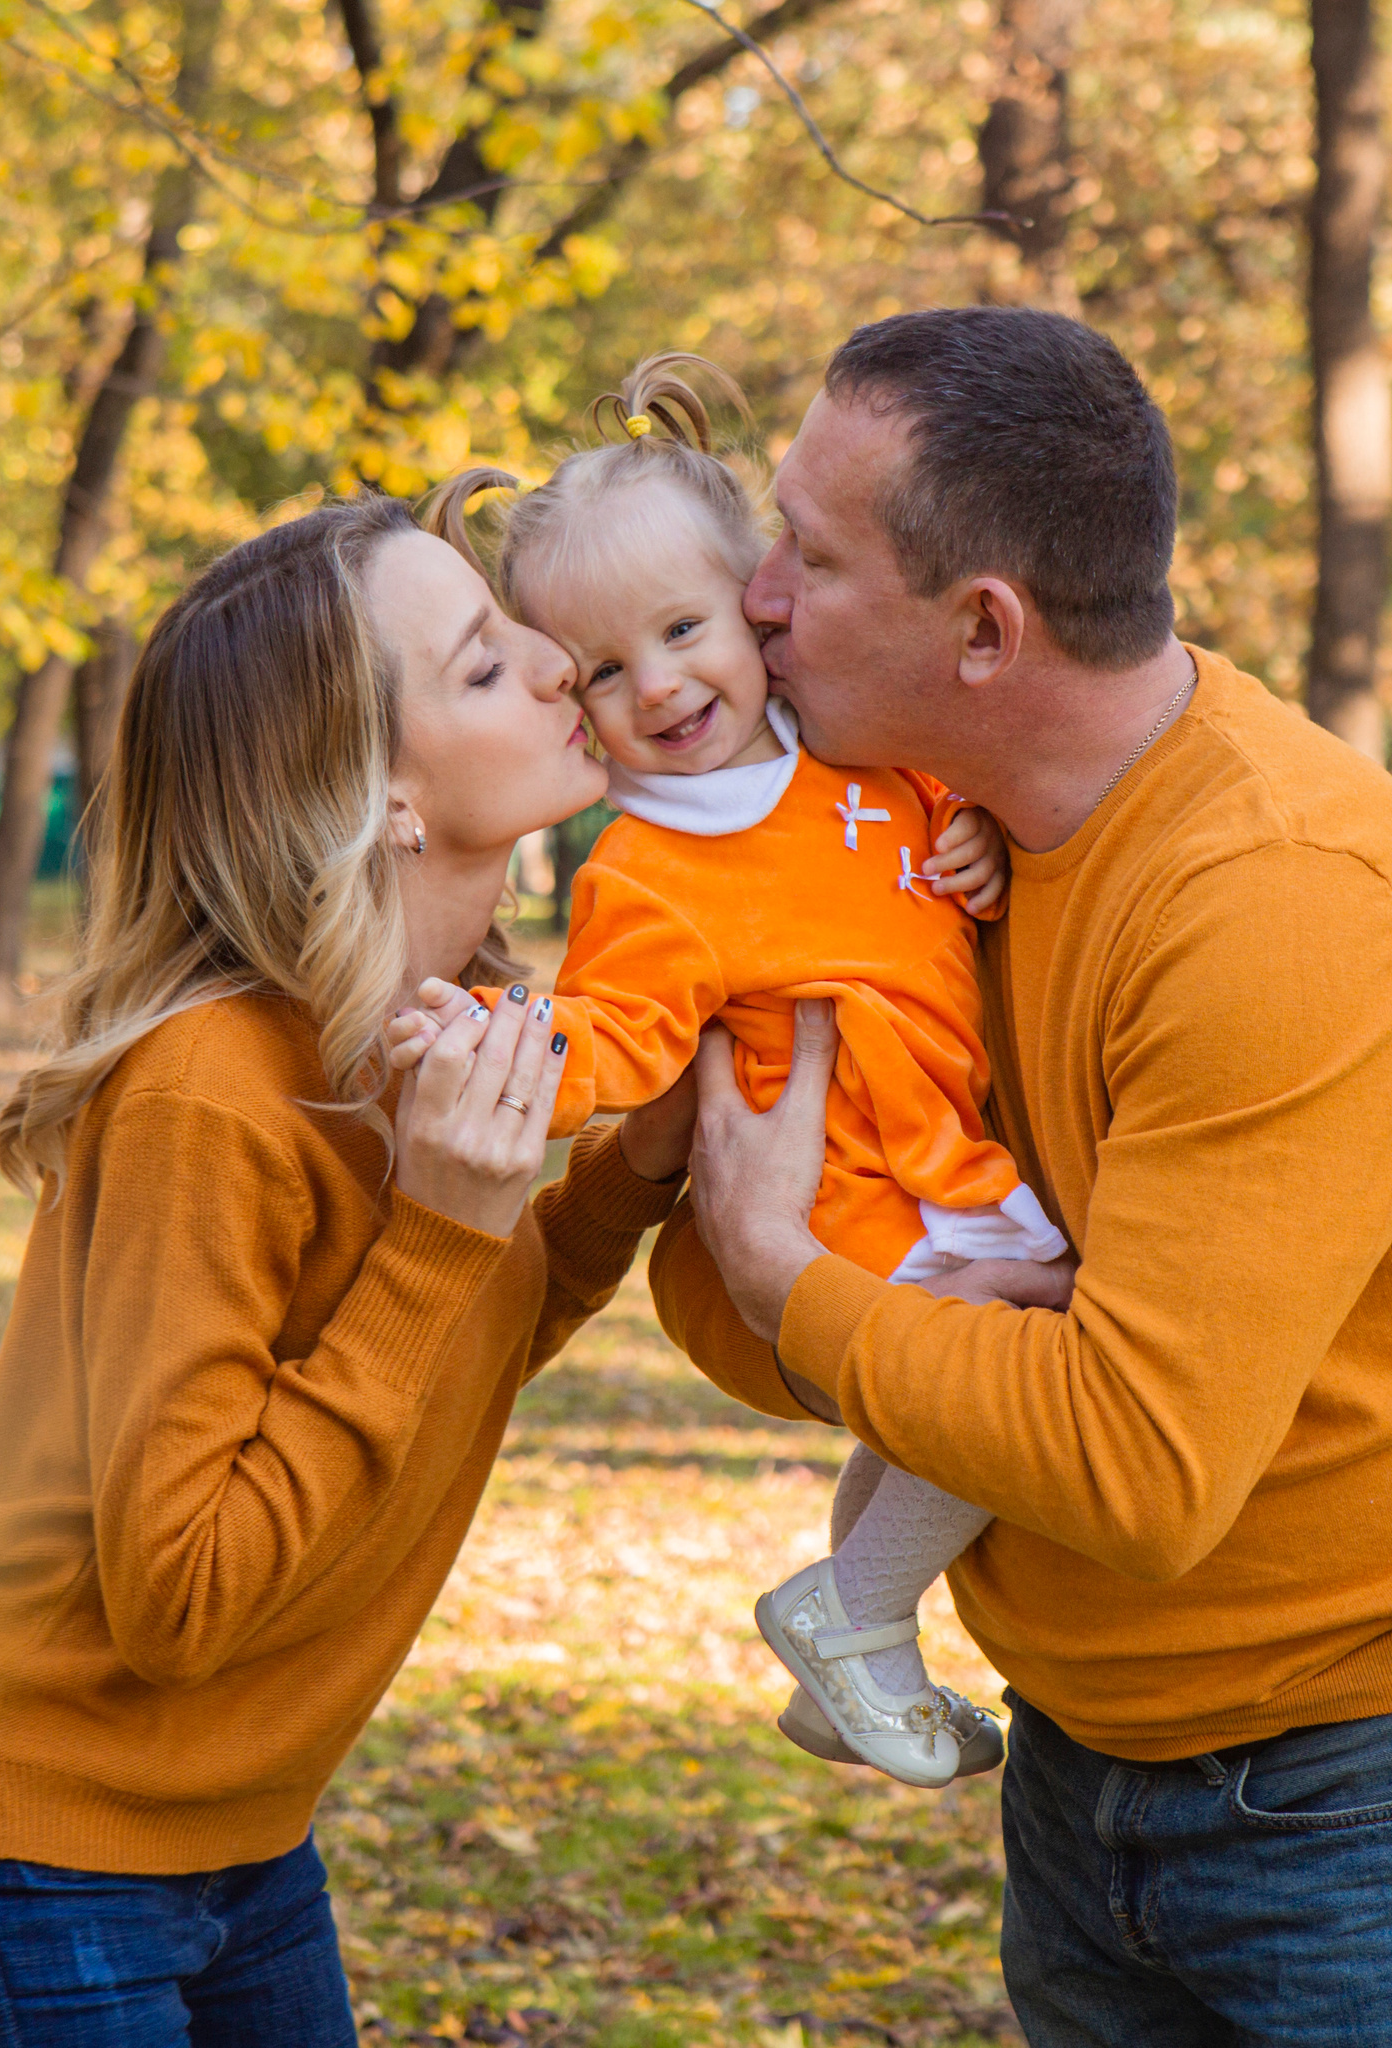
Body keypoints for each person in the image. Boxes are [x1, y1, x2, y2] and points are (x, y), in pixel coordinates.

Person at [654, 307, 1392, 2045]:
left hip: (1386, 1782)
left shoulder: (1287, 901)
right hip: (1082, 1758)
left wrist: (784, 1276)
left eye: (807, 554)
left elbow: (1133, 1462)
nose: (758, 601)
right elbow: (766, 1328)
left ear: (984, 628)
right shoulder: (918, 847)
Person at [0, 489, 696, 2047]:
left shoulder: (434, 1030)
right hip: (36, 1838)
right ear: (381, 795)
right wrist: (439, 1226)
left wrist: (628, 1170)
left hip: (238, 1828)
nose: (562, 664)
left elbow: (455, 1340)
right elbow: (185, 1595)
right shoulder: (210, 1092)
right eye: (487, 667)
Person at [399, 352, 1059, 1790]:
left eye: (684, 629)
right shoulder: (652, 866)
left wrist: (982, 837)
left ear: (759, 601)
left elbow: (951, 825)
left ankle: (859, 1653)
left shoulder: (866, 765)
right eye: (608, 674)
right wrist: (507, 1048)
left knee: (933, 1403)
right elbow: (620, 1031)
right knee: (1005, 1356)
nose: (663, 684)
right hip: (849, 1185)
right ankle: (858, 1610)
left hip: (941, 1146)